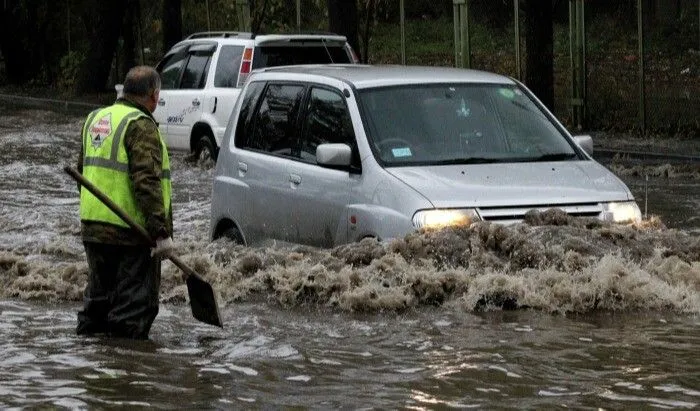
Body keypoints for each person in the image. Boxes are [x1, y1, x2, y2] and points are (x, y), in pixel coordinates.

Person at [75, 66, 175, 339]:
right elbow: (147, 182)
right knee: (133, 309)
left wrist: (92, 216)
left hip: (94, 228)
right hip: (131, 235)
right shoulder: (140, 125)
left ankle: (90, 364)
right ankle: (126, 372)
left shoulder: (95, 118)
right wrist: (160, 231)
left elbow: (82, 172)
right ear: (154, 96)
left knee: (98, 304)